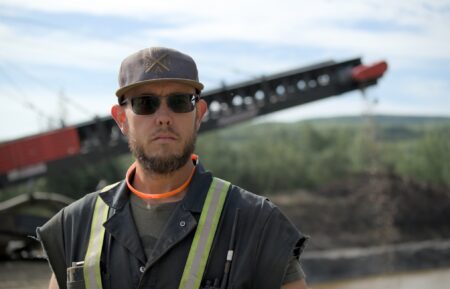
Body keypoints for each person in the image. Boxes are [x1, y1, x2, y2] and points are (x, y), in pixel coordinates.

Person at [37, 47, 309, 289]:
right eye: (145, 103)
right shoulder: (74, 225)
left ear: (199, 114)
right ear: (121, 119)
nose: (164, 117)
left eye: (179, 101)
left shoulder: (258, 224)